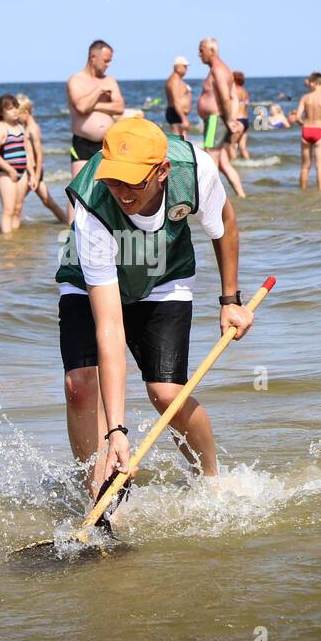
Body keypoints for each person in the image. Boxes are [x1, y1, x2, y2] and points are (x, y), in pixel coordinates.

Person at [55, 117, 253, 513]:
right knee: (80, 385)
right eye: (114, 180)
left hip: (165, 278)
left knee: (166, 394)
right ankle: (97, 495)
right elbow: (110, 327)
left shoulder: (197, 170)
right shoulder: (91, 204)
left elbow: (224, 226)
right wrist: (117, 431)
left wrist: (230, 299)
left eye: (134, 182)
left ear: (162, 171)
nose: (122, 193)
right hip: (88, 281)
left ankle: (212, 480)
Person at [67, 39, 126, 179]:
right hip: (82, 144)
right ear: (93, 57)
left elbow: (119, 107)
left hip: (107, 142)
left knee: (109, 187)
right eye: (106, 61)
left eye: (110, 61)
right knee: (79, 192)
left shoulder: (110, 81)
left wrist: (96, 106)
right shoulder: (76, 80)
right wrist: (99, 90)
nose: (108, 65)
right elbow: (82, 107)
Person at [196, 37, 246, 198]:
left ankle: (208, 200)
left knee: (211, 160)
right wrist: (233, 118)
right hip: (216, 120)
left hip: (214, 121)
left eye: (201, 50)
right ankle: (241, 195)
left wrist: (231, 120)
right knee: (224, 163)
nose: (199, 54)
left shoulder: (218, 70)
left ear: (212, 51)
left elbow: (226, 97)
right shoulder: (224, 69)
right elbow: (234, 97)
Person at [0, 94, 35, 234]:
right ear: (1, 112)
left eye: (16, 108)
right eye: (10, 109)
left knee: (18, 208)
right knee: (8, 209)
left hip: (22, 172)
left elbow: (26, 152)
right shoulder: (0, 129)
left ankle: (15, 239)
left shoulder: (20, 127)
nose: (14, 111)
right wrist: (10, 170)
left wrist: (31, 174)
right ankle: (7, 240)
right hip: (5, 173)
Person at [16, 93, 66, 223]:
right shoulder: (26, 127)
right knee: (47, 201)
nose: (16, 117)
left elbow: (39, 154)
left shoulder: (33, 129)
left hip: (32, 171)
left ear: (26, 112)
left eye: (18, 114)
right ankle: (67, 222)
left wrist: (35, 176)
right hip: (31, 171)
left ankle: (12, 232)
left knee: (17, 204)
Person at [294, 72, 321, 191]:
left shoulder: (305, 98)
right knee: (320, 167)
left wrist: (304, 125)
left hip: (306, 130)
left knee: (305, 167)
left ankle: (302, 191)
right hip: (320, 131)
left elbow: (297, 117)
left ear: (312, 84)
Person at [164, 57, 192, 138]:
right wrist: (184, 119)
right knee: (180, 140)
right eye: (185, 66)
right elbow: (176, 100)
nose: (186, 69)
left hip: (176, 112)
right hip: (176, 113)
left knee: (181, 139)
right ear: (177, 67)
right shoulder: (175, 80)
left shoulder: (177, 79)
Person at [232, 71, 252, 159]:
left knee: (232, 146)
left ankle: (232, 166)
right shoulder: (245, 91)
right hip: (245, 120)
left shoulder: (234, 90)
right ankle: (248, 162)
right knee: (243, 148)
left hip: (238, 120)